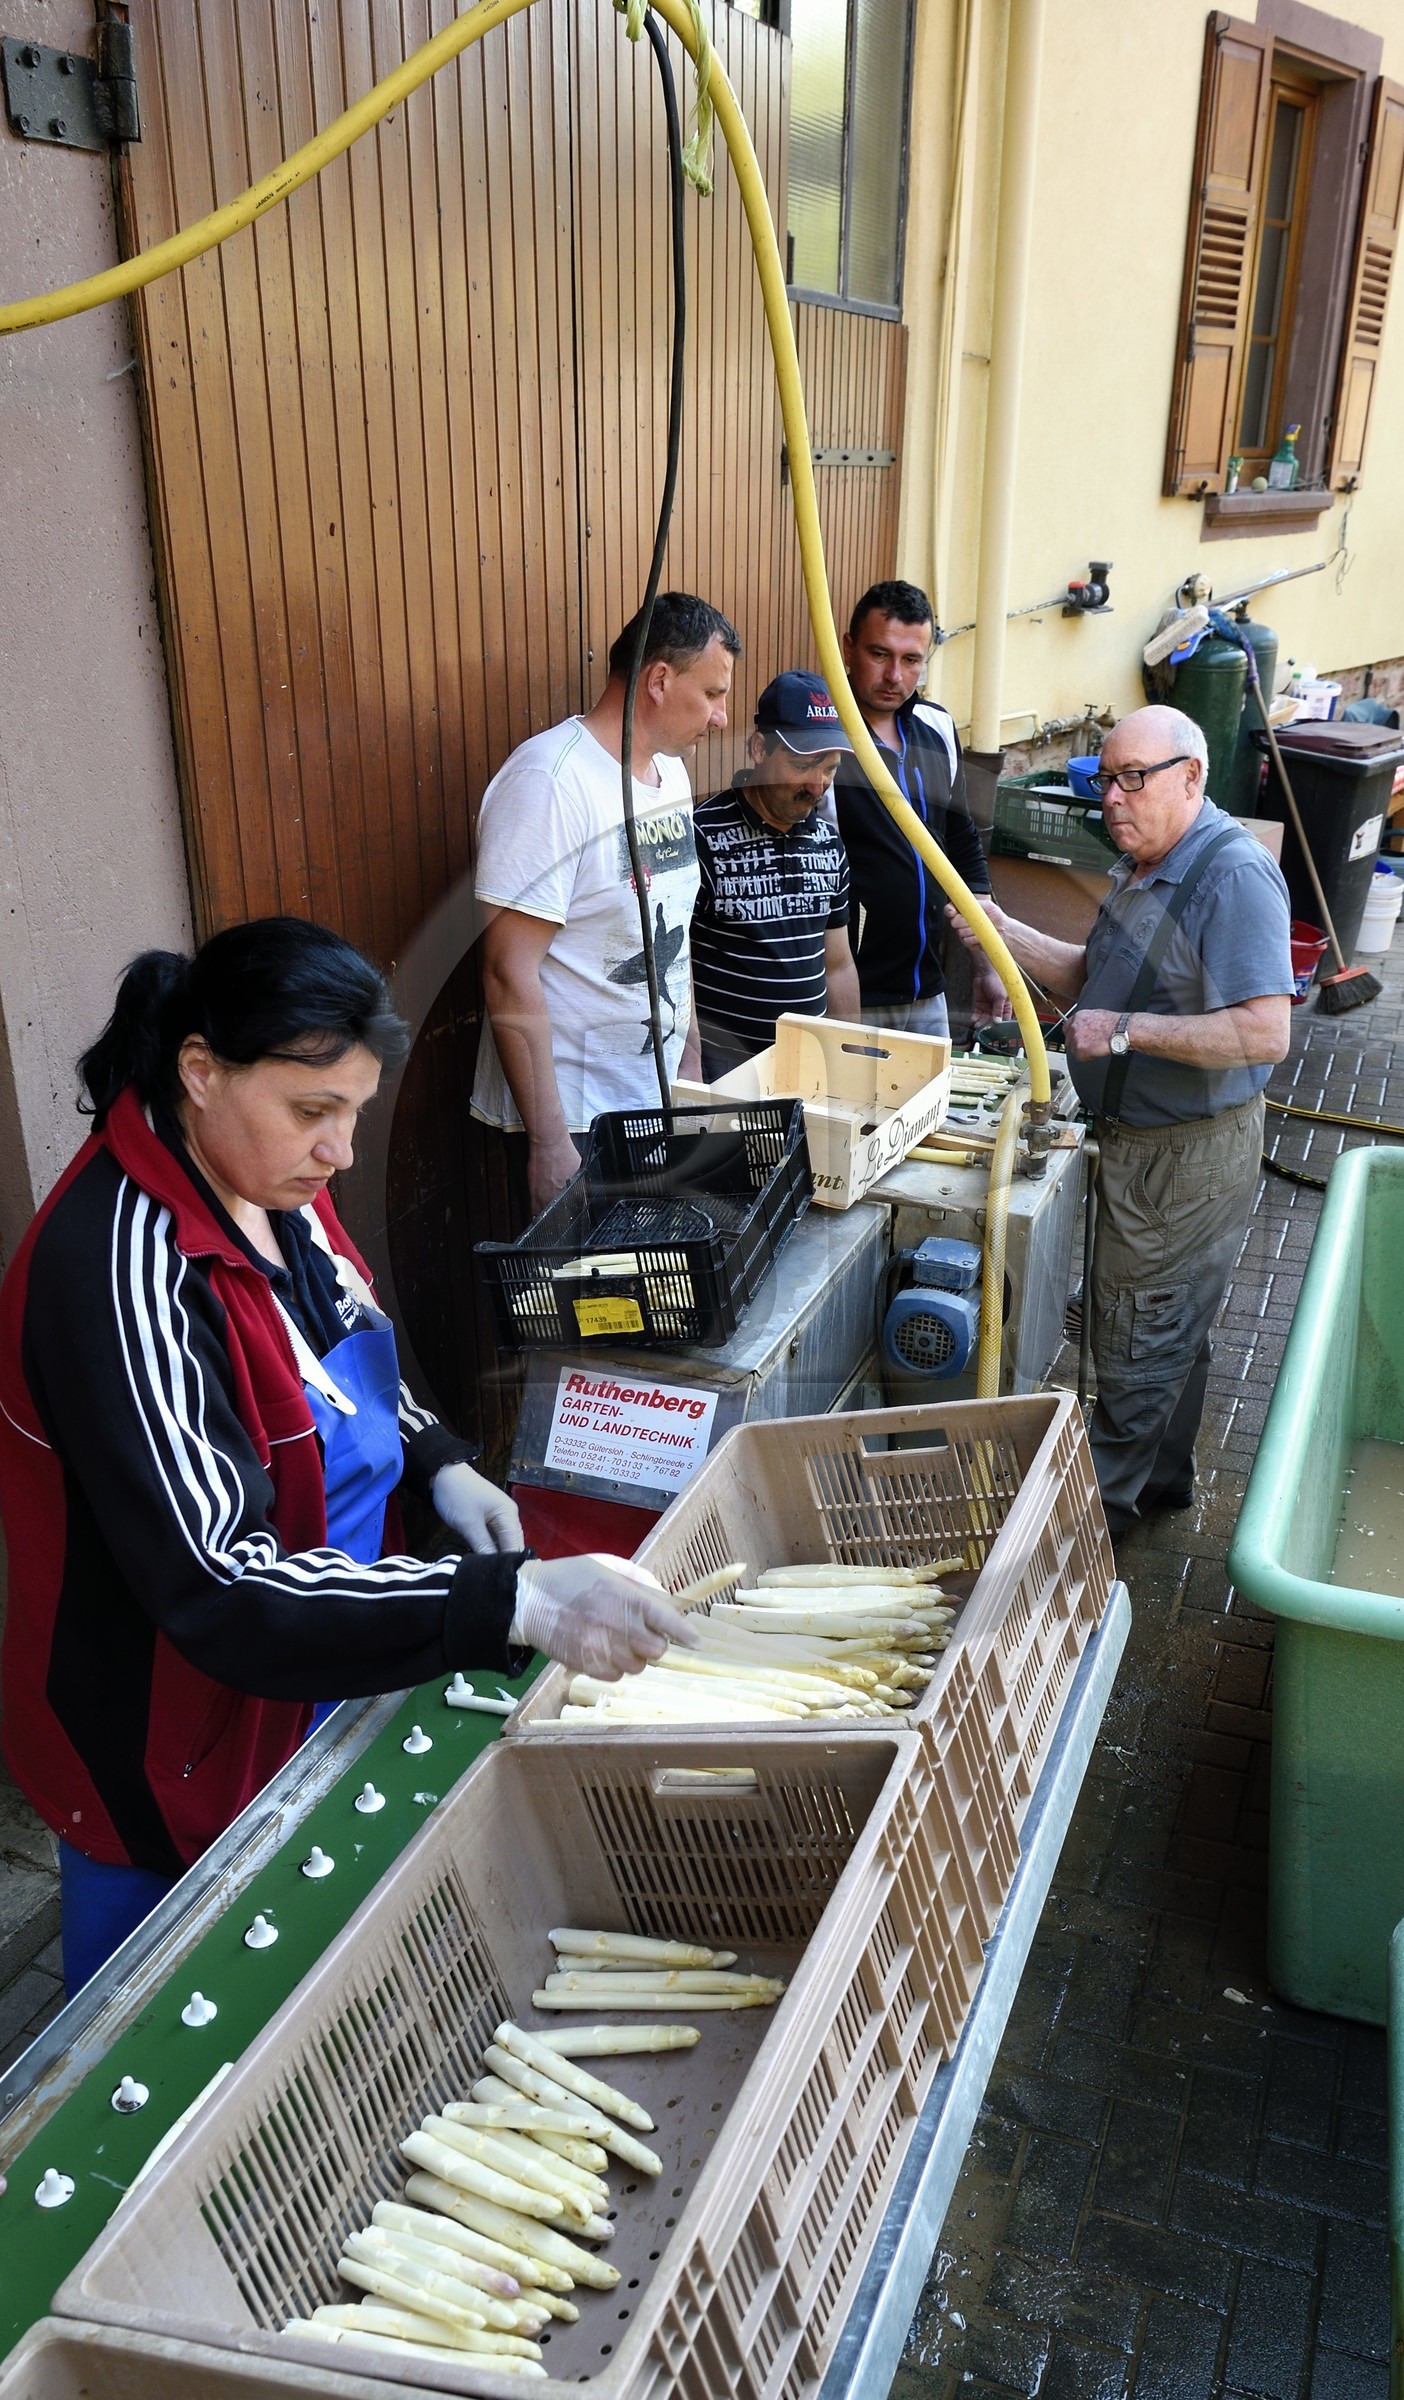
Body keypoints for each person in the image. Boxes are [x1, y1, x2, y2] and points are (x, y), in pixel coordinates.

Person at [0, 919, 688, 1993]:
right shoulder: (120, 1273)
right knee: (163, 2020)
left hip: (323, 1654)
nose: (341, 1153)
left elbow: (343, 1357)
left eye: (354, 1114)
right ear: (200, 1072)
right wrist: (515, 1604)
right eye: (313, 1112)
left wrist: (436, 1458)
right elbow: (222, 1585)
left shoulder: (280, 1188)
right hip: (178, 1737)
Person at [948, 706, 1292, 1538]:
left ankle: (1086, 1534)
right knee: (1170, 1321)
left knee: (1138, 1338)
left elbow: (1264, 1032)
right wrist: (1006, 934)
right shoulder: (1147, 863)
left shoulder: (1232, 876)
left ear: (1192, 776)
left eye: (1134, 778)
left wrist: (1129, 1032)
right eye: (1106, 779)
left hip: (1184, 1155)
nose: (1114, 798)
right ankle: (1163, 1480)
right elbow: (1090, 976)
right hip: (1146, 1145)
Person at [473, 593, 742, 1212]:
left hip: (651, 1094)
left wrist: (690, 1061)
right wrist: (547, 1142)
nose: (722, 716)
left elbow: (670, 926)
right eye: (712, 694)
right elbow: (506, 969)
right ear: (658, 680)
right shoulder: (549, 783)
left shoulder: (669, 773)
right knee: (585, 1300)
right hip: (576, 1117)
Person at [831, 579, 1007, 1037]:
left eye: (912, 660)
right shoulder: (821, 737)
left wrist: (987, 965)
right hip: (851, 998)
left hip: (929, 992)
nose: (895, 676)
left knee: (933, 1109)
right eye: (879, 654)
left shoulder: (937, 727)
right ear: (847, 648)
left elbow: (963, 847)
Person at [690, 671, 860, 1082]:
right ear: (759, 748)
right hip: (724, 1075)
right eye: (803, 765)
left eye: (830, 769)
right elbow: (677, 975)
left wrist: (851, 1059)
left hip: (808, 1072)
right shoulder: (701, 835)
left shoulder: (828, 843)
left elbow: (837, 965)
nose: (817, 786)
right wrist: (691, 1070)